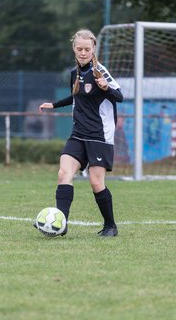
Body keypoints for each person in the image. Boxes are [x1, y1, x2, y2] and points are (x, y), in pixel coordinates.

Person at [38, 29, 123, 237]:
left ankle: (110, 226)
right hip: (78, 133)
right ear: (74, 49)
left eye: (87, 49)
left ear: (93, 49)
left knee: (96, 182)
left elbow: (119, 96)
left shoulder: (100, 71)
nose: (83, 52)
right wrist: (54, 105)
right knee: (63, 173)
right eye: (79, 49)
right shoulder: (74, 73)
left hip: (99, 136)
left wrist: (106, 87)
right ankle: (61, 224)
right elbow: (76, 97)